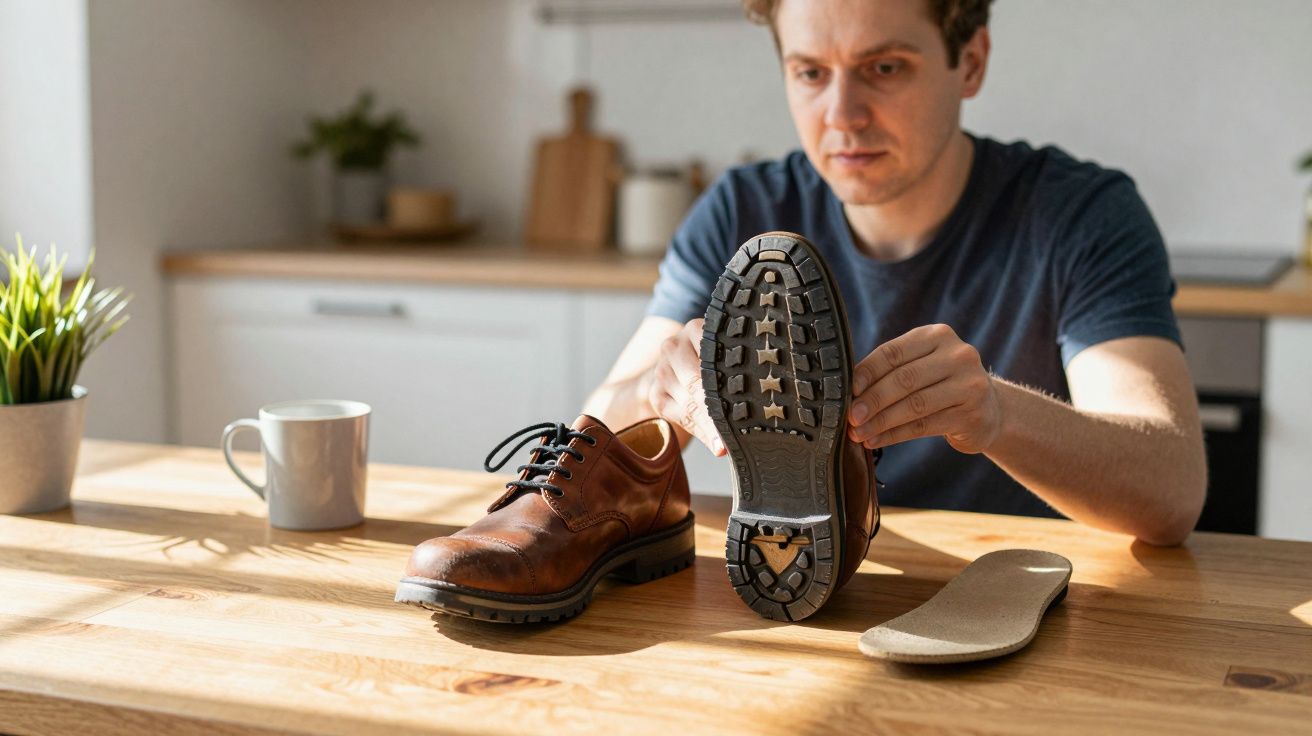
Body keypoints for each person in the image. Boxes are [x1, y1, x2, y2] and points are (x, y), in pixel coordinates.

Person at [582, 0, 1206, 546]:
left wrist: (994, 413)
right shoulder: (741, 212)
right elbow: (586, 457)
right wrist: (653, 392)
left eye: (884, 68)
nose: (843, 114)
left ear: (972, 61)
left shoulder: (1081, 216)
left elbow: (1172, 492)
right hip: (802, 594)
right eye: (810, 73)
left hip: (1015, 598)